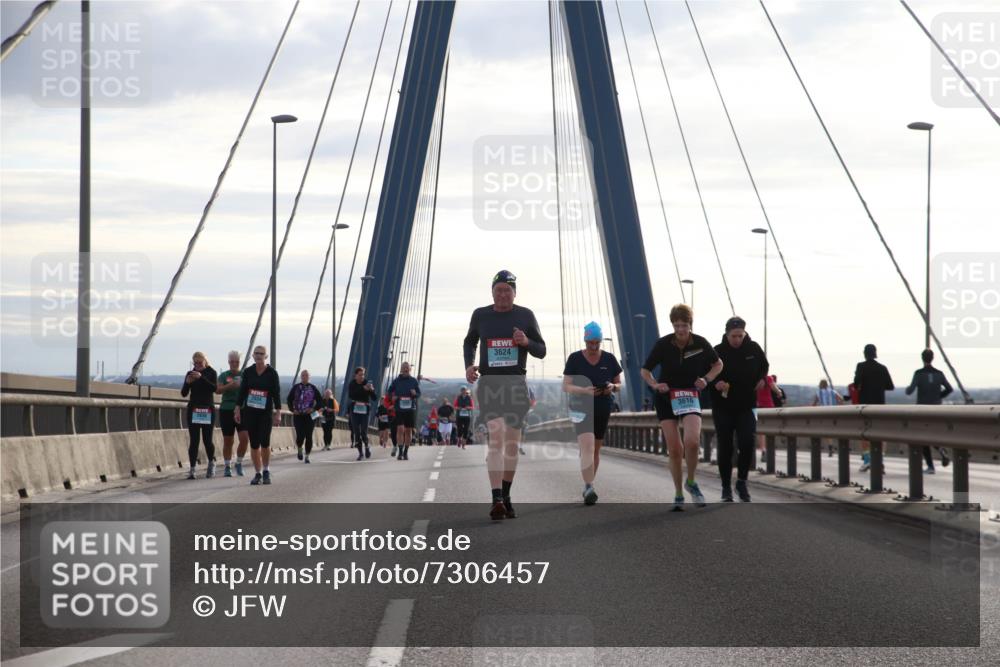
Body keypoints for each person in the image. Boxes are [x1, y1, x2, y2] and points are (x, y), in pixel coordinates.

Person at [463, 270, 546, 520]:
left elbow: (541, 351)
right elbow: (470, 341)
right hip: (490, 384)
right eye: (498, 289)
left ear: (514, 293)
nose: (502, 294)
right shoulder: (481, 315)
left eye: (507, 290)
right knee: (496, 439)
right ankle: (496, 498)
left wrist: (526, 343)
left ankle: (506, 495)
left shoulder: (525, 315)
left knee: (511, 445)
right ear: (492, 292)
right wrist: (469, 364)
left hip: (516, 384)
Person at [640, 304, 723, 510]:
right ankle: (678, 493)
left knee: (692, 442)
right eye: (676, 326)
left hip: (689, 396)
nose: (680, 330)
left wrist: (706, 379)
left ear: (690, 324)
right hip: (666, 398)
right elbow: (645, 370)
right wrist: (655, 385)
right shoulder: (663, 344)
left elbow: (718, 364)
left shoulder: (701, 343)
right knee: (675, 449)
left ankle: (692, 482)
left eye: (684, 325)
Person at [562, 321, 623, 505]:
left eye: (597, 343)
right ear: (585, 341)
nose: (594, 347)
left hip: (603, 407)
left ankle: (589, 483)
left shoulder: (609, 359)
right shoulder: (575, 359)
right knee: (587, 447)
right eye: (590, 343)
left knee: (595, 450)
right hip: (581, 407)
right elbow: (566, 386)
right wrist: (584, 391)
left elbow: (619, 385)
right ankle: (589, 486)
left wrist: (612, 387)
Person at [710, 317, 768, 502]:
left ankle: (741, 482)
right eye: (734, 336)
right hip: (723, 406)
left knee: (747, 443)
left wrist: (762, 379)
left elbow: (764, 367)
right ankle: (726, 487)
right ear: (727, 334)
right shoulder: (716, 351)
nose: (737, 340)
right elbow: (706, 375)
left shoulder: (754, 348)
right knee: (726, 447)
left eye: (740, 336)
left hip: (747, 405)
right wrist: (715, 383)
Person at [234, 345, 282, 485]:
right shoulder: (248, 372)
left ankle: (266, 470)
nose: (259, 355)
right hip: (250, 412)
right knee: (254, 444)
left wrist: (278, 412)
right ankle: (257, 473)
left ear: (266, 356)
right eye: (256, 353)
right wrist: (237, 408)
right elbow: (242, 391)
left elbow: (276, 394)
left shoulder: (272, 373)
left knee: (265, 442)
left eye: (262, 353)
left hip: (265, 413)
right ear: (253, 356)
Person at [906, 349, 953, 473]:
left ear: (922, 358)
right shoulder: (939, 373)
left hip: (922, 410)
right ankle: (940, 449)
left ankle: (930, 466)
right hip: (936, 409)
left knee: (923, 437)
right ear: (932, 358)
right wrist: (939, 396)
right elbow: (949, 388)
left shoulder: (918, 373)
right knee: (933, 434)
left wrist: (906, 389)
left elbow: (910, 391)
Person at [854, 343, 895, 472]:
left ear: (865, 354)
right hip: (879, 406)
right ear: (875, 354)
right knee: (880, 434)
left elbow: (856, 385)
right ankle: (880, 461)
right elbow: (890, 386)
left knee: (865, 433)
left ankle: (867, 461)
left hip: (865, 406)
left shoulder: (861, 366)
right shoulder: (882, 368)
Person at [181, 351, 218, 479]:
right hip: (194, 409)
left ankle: (211, 463)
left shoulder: (211, 372)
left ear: (205, 361)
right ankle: (192, 469)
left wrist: (201, 377)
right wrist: (187, 382)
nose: (197, 365)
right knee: (194, 440)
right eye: (195, 363)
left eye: (200, 363)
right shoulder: (190, 373)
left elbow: (214, 388)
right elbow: (184, 393)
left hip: (207, 409)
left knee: (207, 440)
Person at [216, 350, 249, 477]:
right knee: (228, 441)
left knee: (244, 439)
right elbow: (218, 390)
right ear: (228, 362)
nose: (234, 364)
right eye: (232, 362)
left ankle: (239, 463)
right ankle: (227, 466)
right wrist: (231, 385)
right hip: (226, 409)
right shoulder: (223, 375)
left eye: (237, 362)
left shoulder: (245, 375)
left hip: (242, 409)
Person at [387, 362, 420, 460]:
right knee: (400, 429)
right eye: (404, 368)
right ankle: (400, 452)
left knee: (408, 431)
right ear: (401, 369)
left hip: (410, 409)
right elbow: (389, 392)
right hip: (399, 408)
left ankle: (406, 452)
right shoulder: (396, 381)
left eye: (407, 368)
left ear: (410, 369)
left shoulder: (414, 381)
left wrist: (415, 394)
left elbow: (418, 394)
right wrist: (392, 397)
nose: (405, 369)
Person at [287, 370, 321, 464]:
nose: (304, 377)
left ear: (309, 377)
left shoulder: (313, 388)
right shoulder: (296, 387)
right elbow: (289, 399)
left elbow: (320, 402)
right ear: (301, 377)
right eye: (303, 375)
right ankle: (299, 448)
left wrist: (313, 409)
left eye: (306, 375)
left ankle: (307, 456)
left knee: (309, 436)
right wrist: (292, 410)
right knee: (300, 435)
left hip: (310, 416)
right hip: (298, 415)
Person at [348, 367, 377, 460]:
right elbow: (351, 395)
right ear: (355, 375)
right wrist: (363, 389)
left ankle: (367, 446)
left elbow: (374, 398)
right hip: (354, 410)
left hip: (365, 410)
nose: (362, 376)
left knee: (364, 432)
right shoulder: (352, 384)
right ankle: (360, 453)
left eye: (363, 374)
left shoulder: (367, 383)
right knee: (356, 432)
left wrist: (371, 390)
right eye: (360, 375)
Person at [811, 379, 843, 457]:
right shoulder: (833, 391)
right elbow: (841, 399)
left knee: (828, 431)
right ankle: (841, 446)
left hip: (825, 413)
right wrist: (839, 406)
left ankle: (830, 447)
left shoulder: (818, 393)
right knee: (837, 429)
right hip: (835, 413)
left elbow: (814, 404)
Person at [754, 374, 780, 459]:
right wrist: (779, 393)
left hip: (756, 407)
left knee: (759, 429)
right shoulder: (768, 378)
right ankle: (770, 449)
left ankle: (763, 449)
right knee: (770, 428)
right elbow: (775, 389)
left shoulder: (753, 377)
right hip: (768, 407)